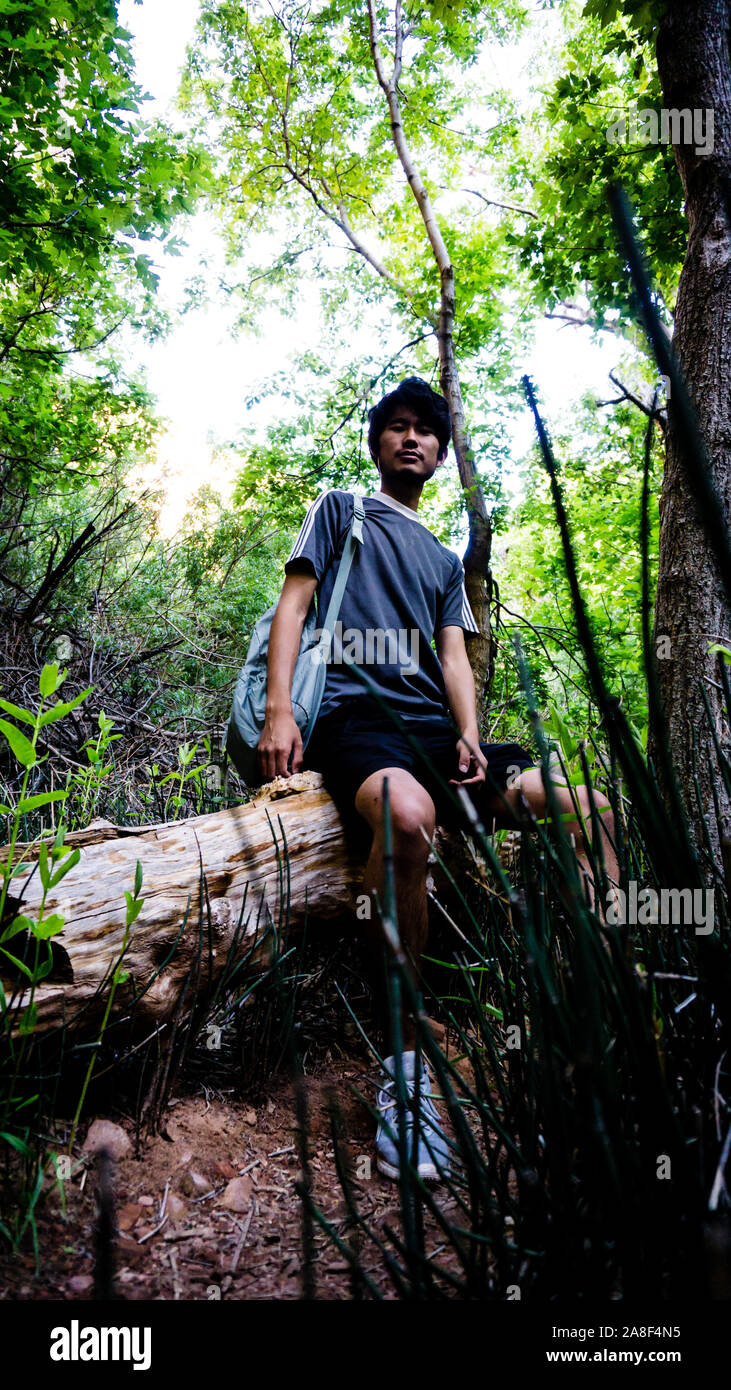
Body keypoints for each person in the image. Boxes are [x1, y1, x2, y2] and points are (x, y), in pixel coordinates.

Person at [257, 376, 618, 1183]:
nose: (412, 439)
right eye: (398, 427)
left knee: (588, 809)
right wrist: (281, 710)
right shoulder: (341, 510)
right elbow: (293, 605)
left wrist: (467, 733)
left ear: (440, 452)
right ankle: (407, 1070)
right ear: (378, 442)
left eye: (427, 431)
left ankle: (588, 1046)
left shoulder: (444, 556)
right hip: (353, 720)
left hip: (433, 733)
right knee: (410, 817)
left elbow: (453, 655)